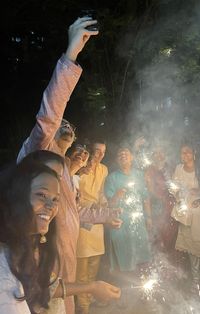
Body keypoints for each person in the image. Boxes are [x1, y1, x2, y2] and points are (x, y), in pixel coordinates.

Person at [17, 17, 120, 314]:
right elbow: (48, 115)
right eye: (61, 124)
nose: (65, 126)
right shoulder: (37, 157)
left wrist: (108, 215)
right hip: (43, 262)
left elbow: (75, 212)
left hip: (67, 260)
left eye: (70, 126)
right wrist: (70, 57)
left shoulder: (64, 171)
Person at [0, 160, 60, 314]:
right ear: (15, 196)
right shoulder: (3, 262)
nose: (51, 206)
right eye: (41, 195)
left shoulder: (26, 247)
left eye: (55, 199)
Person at [171, 142, 200, 305]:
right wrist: (178, 194)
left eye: (188, 152)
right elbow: (173, 187)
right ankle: (196, 288)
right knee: (192, 254)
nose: (185, 156)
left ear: (194, 153)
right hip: (187, 218)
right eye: (182, 153)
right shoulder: (178, 169)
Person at [104, 145, 152, 299]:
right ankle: (123, 295)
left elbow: (146, 199)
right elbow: (109, 205)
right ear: (117, 160)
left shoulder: (139, 175)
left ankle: (144, 293)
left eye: (126, 153)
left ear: (132, 158)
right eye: (120, 154)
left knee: (141, 259)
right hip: (120, 225)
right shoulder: (112, 178)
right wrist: (117, 195)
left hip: (138, 224)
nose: (123, 156)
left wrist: (149, 218)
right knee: (123, 261)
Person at [75, 140, 109, 314]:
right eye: (97, 151)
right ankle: (83, 307)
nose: (100, 155)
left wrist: (106, 206)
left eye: (103, 152)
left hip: (97, 221)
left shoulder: (104, 169)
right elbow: (74, 194)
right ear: (91, 151)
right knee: (81, 267)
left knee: (94, 264)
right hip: (81, 218)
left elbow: (101, 193)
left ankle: (88, 296)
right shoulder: (80, 167)